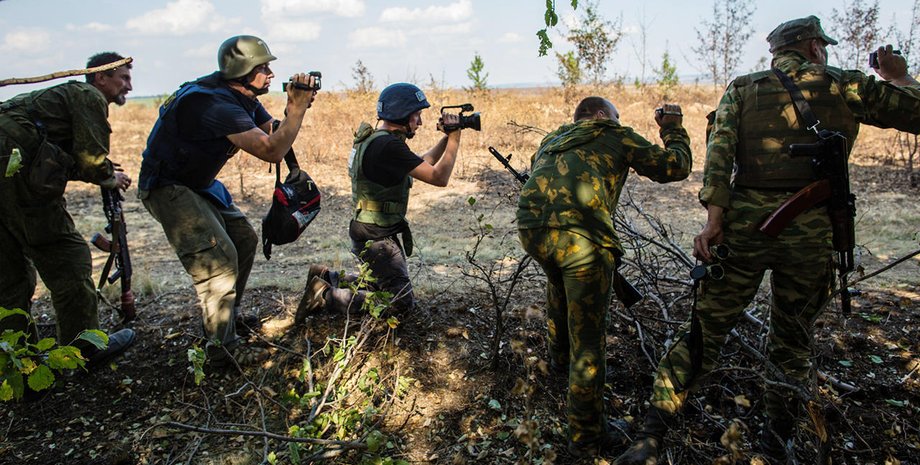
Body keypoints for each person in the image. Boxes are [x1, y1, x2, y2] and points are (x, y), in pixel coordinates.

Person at [615, 16, 920, 465]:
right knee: (792, 340)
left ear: (778, 53)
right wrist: (897, 76)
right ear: (815, 48)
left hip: (744, 228)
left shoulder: (743, 88)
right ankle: (777, 444)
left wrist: (713, 219)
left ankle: (651, 435)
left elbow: (719, 155)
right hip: (812, 234)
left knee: (704, 330)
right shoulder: (844, 85)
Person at [517, 96, 692, 458]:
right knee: (590, 343)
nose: (618, 120)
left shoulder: (553, 138)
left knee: (560, 293)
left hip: (533, 233)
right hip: (582, 241)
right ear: (600, 116)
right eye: (616, 115)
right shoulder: (614, 133)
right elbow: (675, 167)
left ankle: (558, 378)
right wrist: (673, 129)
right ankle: (585, 440)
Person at [137, 35, 317, 366]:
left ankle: (226, 321)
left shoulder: (242, 95)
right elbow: (270, 149)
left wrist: (295, 116)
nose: (270, 74)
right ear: (241, 70)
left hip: (198, 183)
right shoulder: (212, 104)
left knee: (244, 239)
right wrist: (296, 108)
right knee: (218, 258)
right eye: (263, 67)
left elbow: (271, 131)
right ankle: (221, 350)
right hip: (168, 187)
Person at [0, 52, 136, 375]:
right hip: (16, 173)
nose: (129, 86)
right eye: (123, 77)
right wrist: (107, 175)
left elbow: (58, 155)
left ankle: (18, 365)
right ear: (100, 77)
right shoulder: (87, 95)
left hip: (9, 170)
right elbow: (91, 159)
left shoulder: (52, 100)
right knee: (68, 257)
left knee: (9, 275)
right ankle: (82, 351)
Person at [296, 83, 462, 319]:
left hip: (368, 230)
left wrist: (446, 138)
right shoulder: (388, 145)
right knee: (399, 303)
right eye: (417, 115)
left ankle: (327, 277)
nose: (421, 122)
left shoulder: (378, 140)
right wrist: (455, 138)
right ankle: (324, 296)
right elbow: (439, 177)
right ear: (402, 114)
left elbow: (422, 162)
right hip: (376, 239)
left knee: (377, 284)